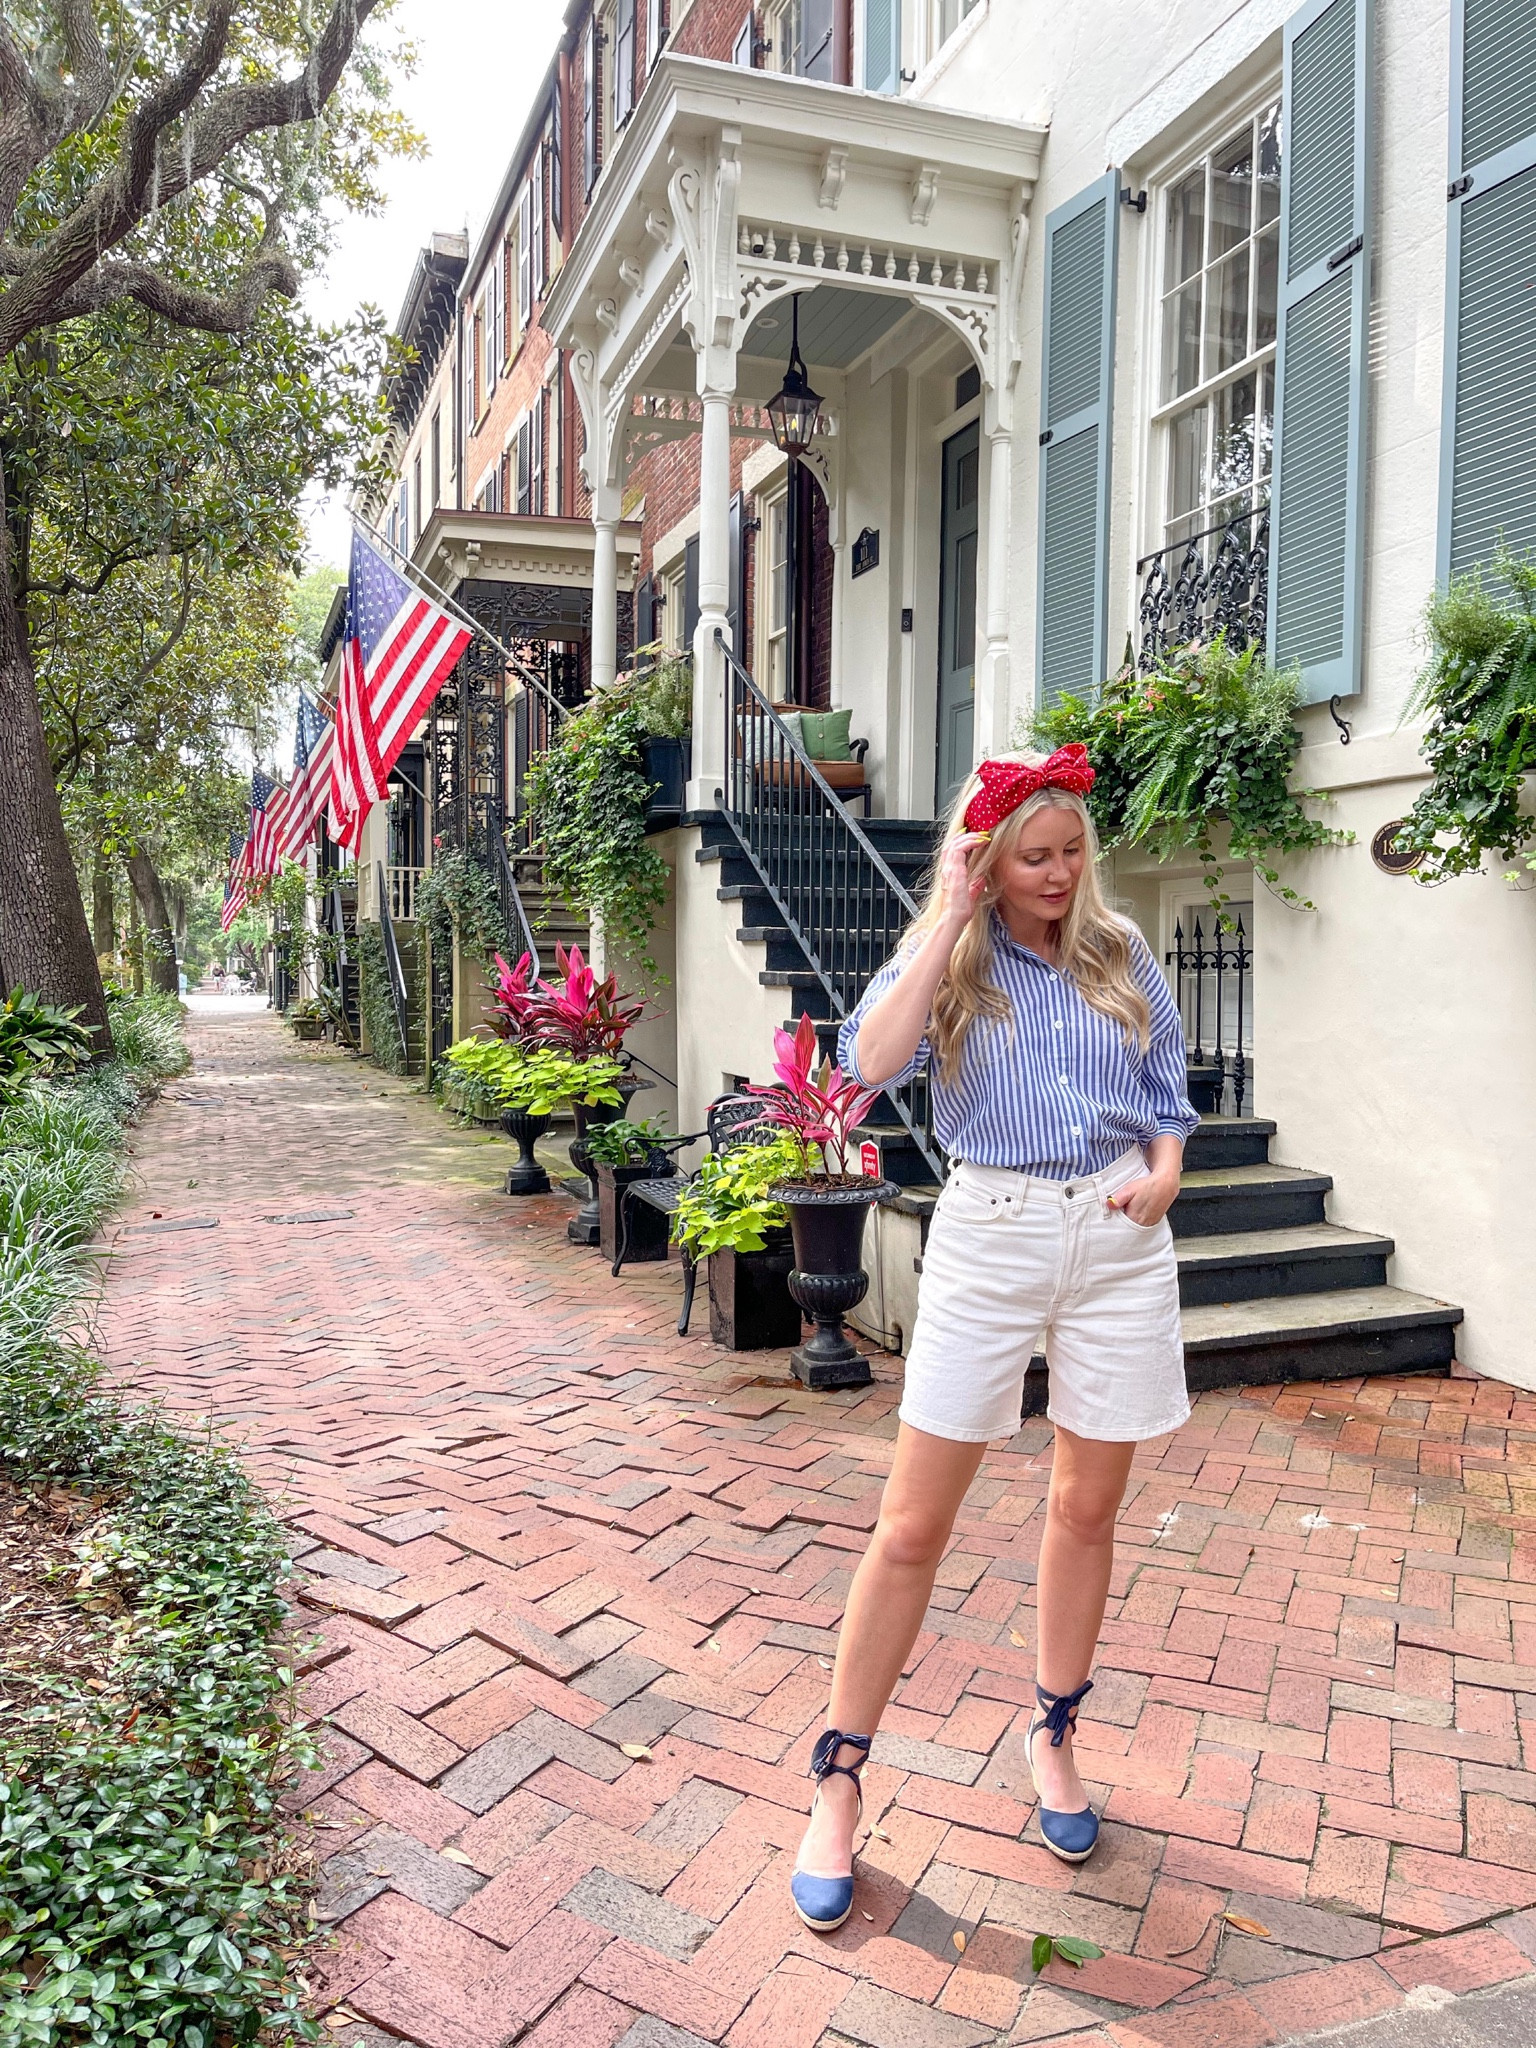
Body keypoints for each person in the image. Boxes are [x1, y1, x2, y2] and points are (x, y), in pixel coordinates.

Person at [789, 745, 1198, 1933]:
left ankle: (1055, 1734)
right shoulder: (952, 961)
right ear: (988, 859)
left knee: (1085, 1506)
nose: (1061, 872)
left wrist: (1165, 1175)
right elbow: (867, 1067)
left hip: (1117, 1240)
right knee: (913, 1522)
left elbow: (1168, 1104)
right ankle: (838, 1779)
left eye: (1073, 851)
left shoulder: (1124, 957)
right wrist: (953, 909)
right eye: (1035, 854)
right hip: (993, 1230)